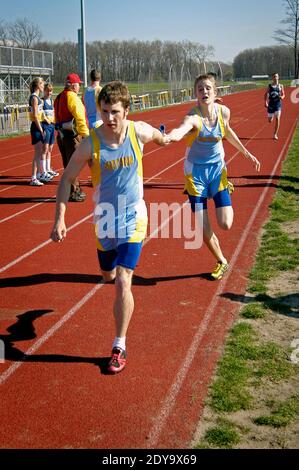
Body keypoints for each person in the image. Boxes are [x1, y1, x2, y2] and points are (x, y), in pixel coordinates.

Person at [50, 81, 169, 373]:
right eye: (105, 111)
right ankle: (110, 274)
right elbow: (66, 179)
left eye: (115, 111)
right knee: (108, 273)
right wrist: (60, 218)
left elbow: (158, 136)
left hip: (133, 215)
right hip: (104, 218)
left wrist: (169, 136)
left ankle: (119, 345)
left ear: (127, 111)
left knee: (123, 280)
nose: (110, 118)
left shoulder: (137, 130)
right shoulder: (92, 142)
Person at [167, 74, 261, 280]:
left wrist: (247, 153)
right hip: (195, 175)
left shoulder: (224, 112)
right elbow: (180, 130)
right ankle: (222, 261)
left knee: (226, 223)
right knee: (203, 224)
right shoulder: (193, 117)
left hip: (217, 171)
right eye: (200, 89)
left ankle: (224, 189)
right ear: (195, 94)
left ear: (215, 92)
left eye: (208, 88)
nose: (204, 91)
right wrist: (168, 137)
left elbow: (227, 132)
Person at [54, 73, 89, 201]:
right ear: (74, 86)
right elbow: (80, 119)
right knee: (73, 166)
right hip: (72, 136)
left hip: (62, 136)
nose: (79, 87)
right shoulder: (73, 98)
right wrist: (86, 136)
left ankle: (74, 189)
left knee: (68, 164)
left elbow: (56, 118)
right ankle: (73, 192)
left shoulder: (58, 98)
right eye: (78, 85)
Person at [39, 83, 59, 180]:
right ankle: (43, 171)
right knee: (45, 149)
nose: (49, 93)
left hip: (52, 126)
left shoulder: (52, 101)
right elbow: (40, 114)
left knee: (50, 149)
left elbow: (54, 113)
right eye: (47, 90)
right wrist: (45, 119)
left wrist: (55, 122)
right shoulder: (42, 101)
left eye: (51, 91)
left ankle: (48, 169)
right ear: (44, 91)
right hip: (45, 126)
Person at [28, 77, 45, 186]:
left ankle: (38, 174)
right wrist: (41, 129)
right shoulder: (34, 98)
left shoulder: (37, 97)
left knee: (39, 152)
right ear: (38, 85)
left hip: (38, 125)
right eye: (42, 84)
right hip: (36, 126)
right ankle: (33, 177)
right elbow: (35, 116)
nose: (43, 86)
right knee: (37, 153)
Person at [264, 72, 285, 140]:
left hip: (278, 104)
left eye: (276, 76)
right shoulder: (269, 86)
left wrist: (282, 97)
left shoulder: (281, 86)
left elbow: (283, 94)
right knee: (270, 120)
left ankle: (275, 134)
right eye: (274, 77)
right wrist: (265, 102)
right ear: (272, 78)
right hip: (271, 105)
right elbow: (265, 94)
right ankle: (271, 117)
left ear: (278, 77)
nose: (275, 78)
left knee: (278, 118)